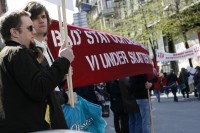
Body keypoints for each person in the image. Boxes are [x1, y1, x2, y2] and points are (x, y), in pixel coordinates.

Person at [0, 10, 74, 132]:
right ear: (14, 32)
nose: (34, 32)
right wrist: (63, 60)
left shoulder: (7, 55)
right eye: (30, 28)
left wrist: (60, 76)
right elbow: (39, 88)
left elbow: (32, 84)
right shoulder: (18, 53)